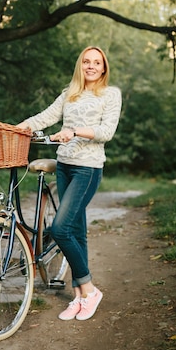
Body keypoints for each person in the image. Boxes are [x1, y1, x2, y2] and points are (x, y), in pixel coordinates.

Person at [18, 46, 121, 321]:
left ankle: (89, 289)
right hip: (64, 166)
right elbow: (46, 116)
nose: (91, 66)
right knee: (77, 231)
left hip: (88, 169)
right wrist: (19, 128)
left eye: (96, 62)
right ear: (80, 65)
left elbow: (106, 132)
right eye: (86, 61)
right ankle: (79, 297)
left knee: (62, 229)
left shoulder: (111, 94)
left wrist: (73, 131)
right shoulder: (70, 93)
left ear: (103, 67)